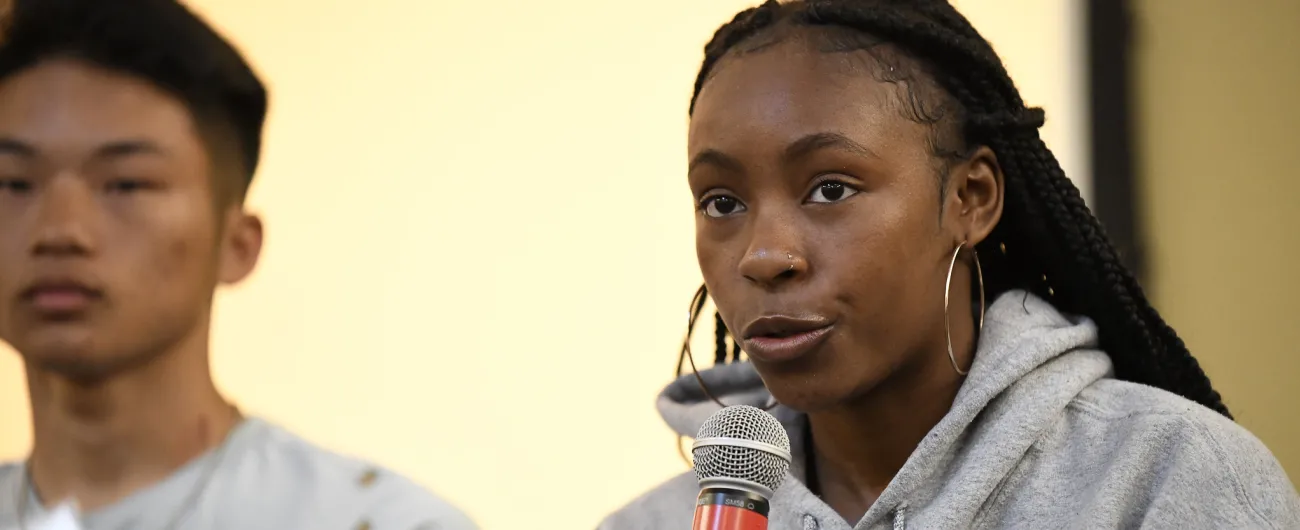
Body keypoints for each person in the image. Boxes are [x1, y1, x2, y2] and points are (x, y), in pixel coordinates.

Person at [600, 1, 1300, 529]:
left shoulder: (1169, 479)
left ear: (971, 198)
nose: (764, 255)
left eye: (831, 189)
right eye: (721, 202)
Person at [0, 0, 476, 528]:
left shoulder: (367, 521)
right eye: (13, 183)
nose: (60, 231)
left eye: (126, 184)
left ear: (237, 245)